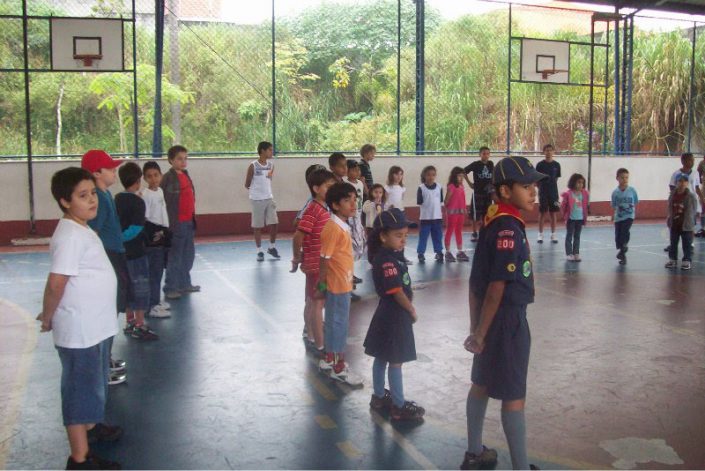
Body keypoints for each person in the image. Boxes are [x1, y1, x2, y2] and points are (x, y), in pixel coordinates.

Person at [463, 156, 546, 471]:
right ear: (505, 190)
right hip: (507, 320)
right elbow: (497, 284)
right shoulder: (508, 227)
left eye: (534, 185)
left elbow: (476, 282)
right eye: (526, 186)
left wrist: (476, 328)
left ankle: (474, 452)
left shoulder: (492, 219)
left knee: (482, 383)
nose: (533, 192)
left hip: (489, 319)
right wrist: (481, 332)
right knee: (513, 395)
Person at [40, 167, 122, 470]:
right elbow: (57, 282)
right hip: (80, 330)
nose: (92, 201)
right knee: (79, 390)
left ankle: (92, 428)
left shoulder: (82, 228)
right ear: (64, 201)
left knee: (94, 384)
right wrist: (48, 316)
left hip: (95, 327)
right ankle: (80, 458)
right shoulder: (70, 235)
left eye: (93, 194)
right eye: (82, 196)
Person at [364, 208, 425, 421]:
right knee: (396, 360)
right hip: (395, 315)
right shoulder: (387, 260)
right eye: (398, 236)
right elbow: (396, 290)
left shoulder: (391, 256)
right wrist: (411, 309)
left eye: (405, 236)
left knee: (382, 355)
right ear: (383, 236)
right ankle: (398, 406)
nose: (403, 241)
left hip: (385, 314)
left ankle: (379, 396)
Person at [81, 149, 127, 386]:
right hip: (109, 255)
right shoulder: (97, 197)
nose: (114, 171)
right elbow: (94, 232)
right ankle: (102, 365)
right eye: (110, 168)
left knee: (115, 308)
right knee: (109, 310)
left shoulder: (106, 194)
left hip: (116, 253)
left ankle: (105, 358)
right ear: (96, 173)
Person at [291, 169, 337, 354]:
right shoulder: (313, 209)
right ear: (316, 188)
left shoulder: (324, 208)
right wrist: (296, 257)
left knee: (311, 300)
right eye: (328, 186)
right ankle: (317, 340)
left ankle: (311, 334)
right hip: (315, 263)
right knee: (316, 302)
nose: (332, 189)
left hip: (320, 262)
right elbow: (298, 235)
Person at [317, 182, 358, 381]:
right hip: (337, 284)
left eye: (354, 199)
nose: (353, 204)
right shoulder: (333, 228)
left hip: (343, 281)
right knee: (339, 323)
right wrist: (322, 284)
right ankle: (338, 366)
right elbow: (324, 258)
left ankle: (329, 358)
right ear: (335, 205)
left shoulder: (341, 225)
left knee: (335, 321)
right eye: (346, 200)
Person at [115, 162, 159, 340]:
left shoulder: (117, 199)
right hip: (136, 252)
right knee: (140, 286)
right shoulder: (138, 202)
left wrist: (118, 240)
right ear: (138, 181)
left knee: (127, 286)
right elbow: (136, 227)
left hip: (122, 253)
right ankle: (140, 325)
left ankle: (130, 321)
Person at [161, 145, 199, 299]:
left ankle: (184, 283)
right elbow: (163, 200)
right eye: (179, 159)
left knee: (188, 255)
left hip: (189, 220)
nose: (183, 162)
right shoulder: (167, 178)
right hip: (176, 223)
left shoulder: (186, 174)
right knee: (175, 256)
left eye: (185, 158)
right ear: (171, 160)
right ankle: (170, 287)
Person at [141, 161, 171, 318]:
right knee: (153, 273)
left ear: (160, 175)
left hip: (162, 234)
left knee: (159, 272)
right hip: (153, 237)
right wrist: (156, 233)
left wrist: (164, 230)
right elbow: (145, 219)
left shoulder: (159, 191)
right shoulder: (145, 195)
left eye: (156, 175)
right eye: (149, 176)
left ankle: (156, 301)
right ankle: (151, 305)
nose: (153, 179)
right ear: (145, 178)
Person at [245, 141, 280, 261]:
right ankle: (259, 251)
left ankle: (272, 247)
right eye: (270, 150)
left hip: (269, 198)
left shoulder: (271, 165)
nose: (272, 152)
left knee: (274, 223)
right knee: (257, 226)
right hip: (257, 200)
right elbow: (247, 183)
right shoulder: (253, 166)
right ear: (263, 151)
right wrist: (256, 191)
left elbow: (269, 180)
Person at [665, 153, 702, 251]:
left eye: (693, 160)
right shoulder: (676, 174)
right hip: (679, 201)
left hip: (691, 201)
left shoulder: (695, 173)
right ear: (683, 161)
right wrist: (675, 196)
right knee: (675, 221)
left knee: (691, 222)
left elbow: (697, 187)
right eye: (690, 160)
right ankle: (672, 243)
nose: (692, 162)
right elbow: (672, 186)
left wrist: (702, 198)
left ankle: (691, 243)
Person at [665, 173, 699, 271]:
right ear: (676, 183)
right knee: (673, 243)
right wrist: (669, 218)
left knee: (686, 243)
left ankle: (686, 260)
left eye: (685, 181)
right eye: (680, 181)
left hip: (686, 224)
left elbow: (693, 210)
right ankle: (672, 259)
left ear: (687, 183)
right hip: (675, 223)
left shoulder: (691, 196)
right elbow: (670, 207)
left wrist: (692, 222)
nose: (682, 183)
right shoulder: (672, 195)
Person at [464, 147, 494, 242]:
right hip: (478, 192)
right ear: (480, 154)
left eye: (488, 153)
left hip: (488, 193)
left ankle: (485, 232)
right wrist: (469, 183)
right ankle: (474, 233)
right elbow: (464, 171)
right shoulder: (476, 164)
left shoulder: (491, 164)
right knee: (475, 214)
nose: (486, 155)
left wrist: (493, 186)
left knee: (487, 214)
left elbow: (493, 176)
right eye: (484, 153)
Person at [611, 168, 639, 265]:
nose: (624, 180)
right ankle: (621, 252)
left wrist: (630, 209)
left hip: (629, 216)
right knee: (618, 235)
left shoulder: (632, 190)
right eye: (622, 178)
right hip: (618, 217)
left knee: (625, 231)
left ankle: (624, 246)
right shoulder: (615, 193)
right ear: (617, 178)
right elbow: (614, 205)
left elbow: (635, 201)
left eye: (626, 177)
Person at [416, 166, 444, 264]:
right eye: (428, 175)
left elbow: (440, 201)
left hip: (437, 218)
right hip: (425, 218)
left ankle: (439, 252)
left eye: (433, 175)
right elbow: (419, 202)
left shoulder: (439, 187)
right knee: (423, 237)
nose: (431, 177)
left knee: (438, 236)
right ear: (424, 176)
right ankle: (420, 253)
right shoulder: (421, 188)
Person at [560, 174, 589, 262]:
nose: (581, 185)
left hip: (579, 219)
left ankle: (576, 253)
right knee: (569, 236)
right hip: (571, 219)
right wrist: (564, 216)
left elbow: (585, 206)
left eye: (582, 183)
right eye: (579, 182)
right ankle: (569, 253)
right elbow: (563, 206)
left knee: (577, 236)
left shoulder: (584, 193)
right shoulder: (568, 194)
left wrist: (585, 216)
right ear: (573, 182)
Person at [535, 144, 561, 244]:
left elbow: (556, 178)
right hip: (543, 192)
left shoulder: (557, 165)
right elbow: (536, 180)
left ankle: (553, 235)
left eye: (550, 150)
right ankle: (540, 235)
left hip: (554, 193)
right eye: (547, 150)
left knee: (553, 213)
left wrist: (552, 188)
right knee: (542, 213)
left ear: (553, 152)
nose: (549, 152)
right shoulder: (540, 165)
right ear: (543, 152)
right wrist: (541, 189)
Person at [445, 166, 469, 262]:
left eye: (462, 176)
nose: (461, 178)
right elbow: (446, 200)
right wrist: (450, 208)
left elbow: (462, 199)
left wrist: (464, 209)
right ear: (454, 176)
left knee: (459, 231)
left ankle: (460, 251)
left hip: (461, 212)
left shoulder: (462, 186)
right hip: (452, 213)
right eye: (459, 176)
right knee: (450, 230)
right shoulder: (451, 186)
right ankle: (448, 252)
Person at [697, 154, 705, 237]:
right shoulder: (702, 163)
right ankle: (703, 228)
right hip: (704, 187)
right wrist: (700, 180)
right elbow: (698, 172)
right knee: (703, 206)